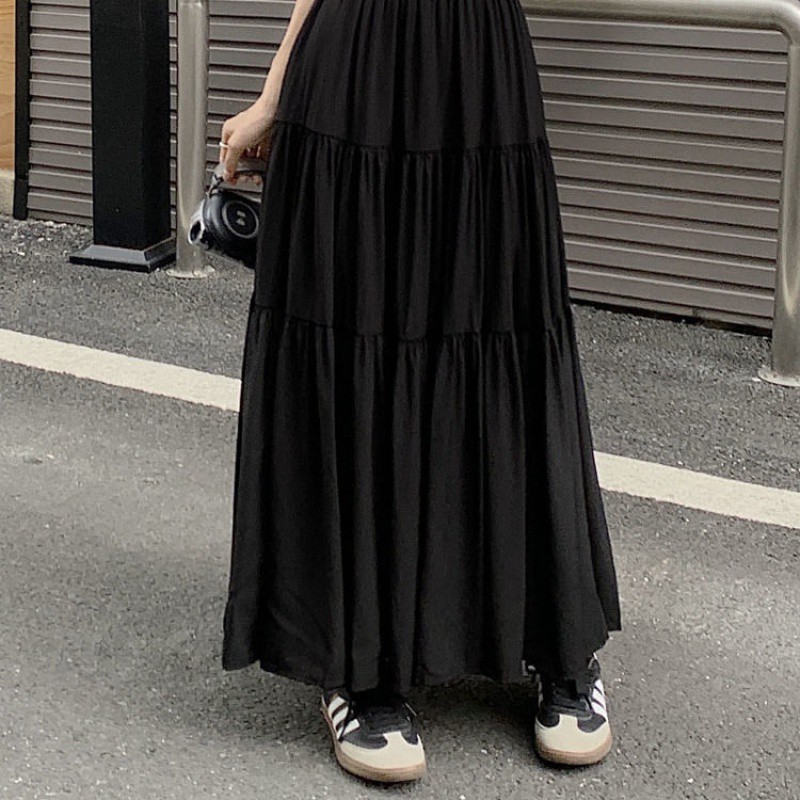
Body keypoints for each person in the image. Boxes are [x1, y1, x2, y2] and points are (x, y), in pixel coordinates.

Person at [219, 0, 622, 783]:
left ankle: (554, 639)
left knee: (505, 333)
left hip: (480, 70)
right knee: (360, 335)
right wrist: (275, 90)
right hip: (355, 62)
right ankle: (359, 664)